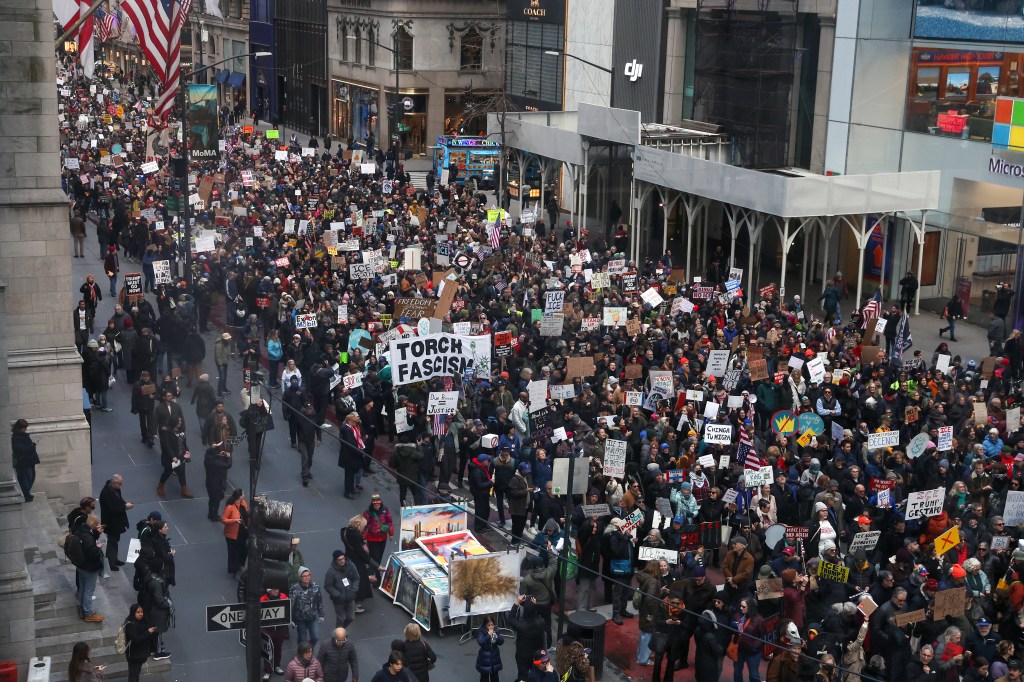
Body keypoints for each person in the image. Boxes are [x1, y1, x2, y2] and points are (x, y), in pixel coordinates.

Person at [74, 514, 106, 622]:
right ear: (93, 524)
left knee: (82, 589)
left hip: (80, 565)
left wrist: (96, 534)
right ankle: (88, 613)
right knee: (89, 591)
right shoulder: (88, 537)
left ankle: (83, 609)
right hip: (89, 567)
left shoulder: (81, 529)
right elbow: (93, 553)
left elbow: (89, 539)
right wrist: (99, 548)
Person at [98, 474, 133, 570]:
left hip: (116, 521)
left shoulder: (114, 489)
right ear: (114, 483)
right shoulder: (106, 493)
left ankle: (114, 559)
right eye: (120, 483)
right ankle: (110, 562)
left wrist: (125, 504)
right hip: (111, 522)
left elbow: (119, 501)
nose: (121, 485)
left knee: (115, 541)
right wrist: (125, 507)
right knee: (112, 542)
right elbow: (112, 509)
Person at [341, 516, 376, 612]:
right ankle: (354, 605)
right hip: (356, 562)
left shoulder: (345, 531)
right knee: (357, 583)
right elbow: (362, 553)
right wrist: (375, 565)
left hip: (349, 558)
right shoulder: (356, 536)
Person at [289, 567, 325, 650]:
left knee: (315, 637)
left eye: (308, 575)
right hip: (300, 619)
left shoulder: (316, 587)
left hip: (313, 617)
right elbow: (290, 604)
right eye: (304, 576)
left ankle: (307, 649)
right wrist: (289, 619)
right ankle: (303, 652)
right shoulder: (294, 589)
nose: (307, 577)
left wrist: (321, 615)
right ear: (300, 578)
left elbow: (319, 601)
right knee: (302, 639)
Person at [324, 550, 360, 628]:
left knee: (351, 618)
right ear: (335, 560)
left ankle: (341, 631)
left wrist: (354, 589)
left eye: (343, 558)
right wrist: (337, 595)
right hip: (339, 600)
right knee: (341, 618)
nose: (342, 561)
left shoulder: (351, 566)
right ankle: (338, 636)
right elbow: (328, 586)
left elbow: (356, 578)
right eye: (339, 560)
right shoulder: (331, 572)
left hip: (350, 597)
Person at [731, 597, 764, 682]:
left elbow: (763, 636)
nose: (741, 608)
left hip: (753, 652)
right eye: (740, 606)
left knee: (754, 675)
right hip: (739, 650)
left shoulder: (759, 620)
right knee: (737, 673)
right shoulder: (738, 615)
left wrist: (755, 646)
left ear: (750, 607)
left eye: (743, 606)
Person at [123, 604, 158, 682]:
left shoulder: (142, 621)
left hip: (140, 653)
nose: (140, 614)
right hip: (134, 655)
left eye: (141, 612)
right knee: (133, 674)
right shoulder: (130, 624)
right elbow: (136, 639)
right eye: (138, 612)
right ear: (133, 613)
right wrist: (148, 632)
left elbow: (147, 625)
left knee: (136, 672)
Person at [261, 587, 290, 679]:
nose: (276, 591)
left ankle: (276, 666)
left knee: (278, 648)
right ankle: (267, 670)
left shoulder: (284, 597)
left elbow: (287, 610)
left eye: (277, 589)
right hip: (267, 628)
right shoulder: (262, 599)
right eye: (274, 589)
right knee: (267, 649)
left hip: (280, 628)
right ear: (269, 591)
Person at [221, 488, 249, 578]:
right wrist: (234, 520)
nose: (244, 494)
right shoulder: (230, 507)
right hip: (232, 535)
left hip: (243, 532)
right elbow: (223, 520)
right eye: (243, 493)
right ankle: (234, 569)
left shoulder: (244, 503)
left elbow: (247, 514)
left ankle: (240, 565)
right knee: (234, 552)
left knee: (244, 550)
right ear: (239, 496)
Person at [361, 494, 393, 567]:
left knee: (380, 555)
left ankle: (374, 568)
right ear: (372, 504)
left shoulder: (385, 509)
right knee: (375, 556)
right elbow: (364, 526)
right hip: (372, 539)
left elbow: (389, 522)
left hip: (383, 538)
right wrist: (364, 538)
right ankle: (374, 571)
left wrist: (391, 534)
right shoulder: (368, 512)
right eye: (375, 505)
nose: (377, 507)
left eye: (378, 505)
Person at [11, 418, 39, 501]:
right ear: (20, 428)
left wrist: (32, 445)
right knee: (26, 478)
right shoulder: (16, 437)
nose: (25, 429)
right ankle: (26, 495)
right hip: (24, 461)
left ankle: (27, 494)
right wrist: (31, 446)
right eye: (24, 427)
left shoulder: (23, 436)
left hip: (29, 460)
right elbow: (18, 448)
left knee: (31, 477)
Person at [203, 446, 232, 521]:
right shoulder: (215, 462)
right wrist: (229, 457)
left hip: (209, 482)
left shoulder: (207, 459)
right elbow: (227, 465)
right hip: (216, 483)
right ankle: (215, 515)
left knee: (211, 499)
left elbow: (213, 456)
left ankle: (210, 513)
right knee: (217, 500)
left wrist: (219, 455)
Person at [475, 616, 504, 682]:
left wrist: (496, 637)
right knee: (484, 677)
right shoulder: (481, 631)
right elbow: (480, 642)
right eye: (489, 625)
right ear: (485, 625)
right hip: (484, 658)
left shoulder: (496, 630)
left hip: (495, 658)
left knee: (495, 677)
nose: (491, 627)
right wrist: (488, 636)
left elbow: (501, 641)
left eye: (492, 625)